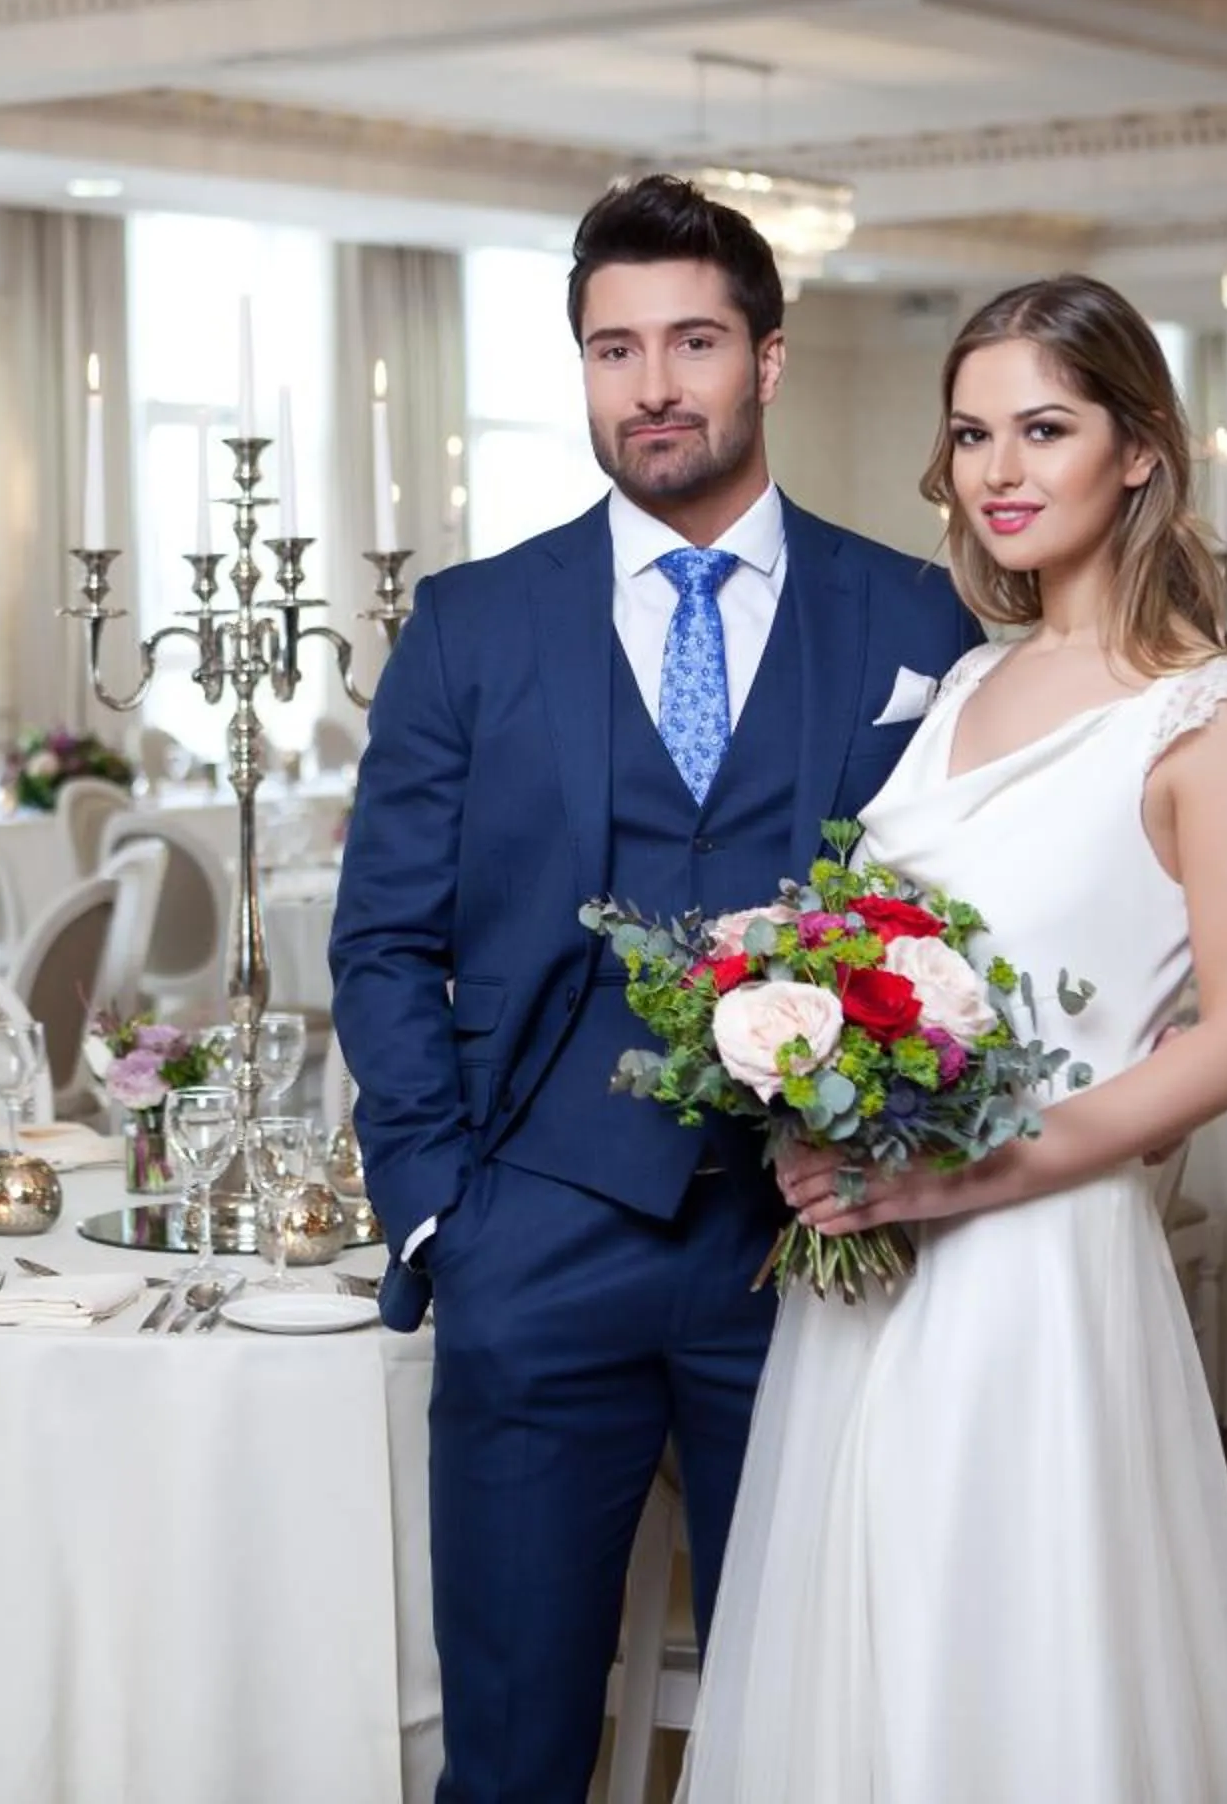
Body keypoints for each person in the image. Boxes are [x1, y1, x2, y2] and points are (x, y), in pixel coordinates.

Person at [328, 173, 983, 1802]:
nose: (654, 384)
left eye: (693, 340)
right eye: (615, 349)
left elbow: (965, 922)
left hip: (818, 1250)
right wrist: (439, 1215)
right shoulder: (474, 628)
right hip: (531, 1239)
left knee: (828, 1725)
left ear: (768, 357)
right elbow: (385, 940)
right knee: (515, 1743)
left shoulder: (914, 612)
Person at [682, 273, 1227, 1799]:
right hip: (873, 1256)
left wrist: (971, 1179)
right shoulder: (962, 679)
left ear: (1138, 448)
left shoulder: (1208, 717)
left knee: (1017, 1662)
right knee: (867, 1649)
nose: (1001, 471)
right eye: (971, 436)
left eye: (1044, 428)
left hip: (1036, 1258)